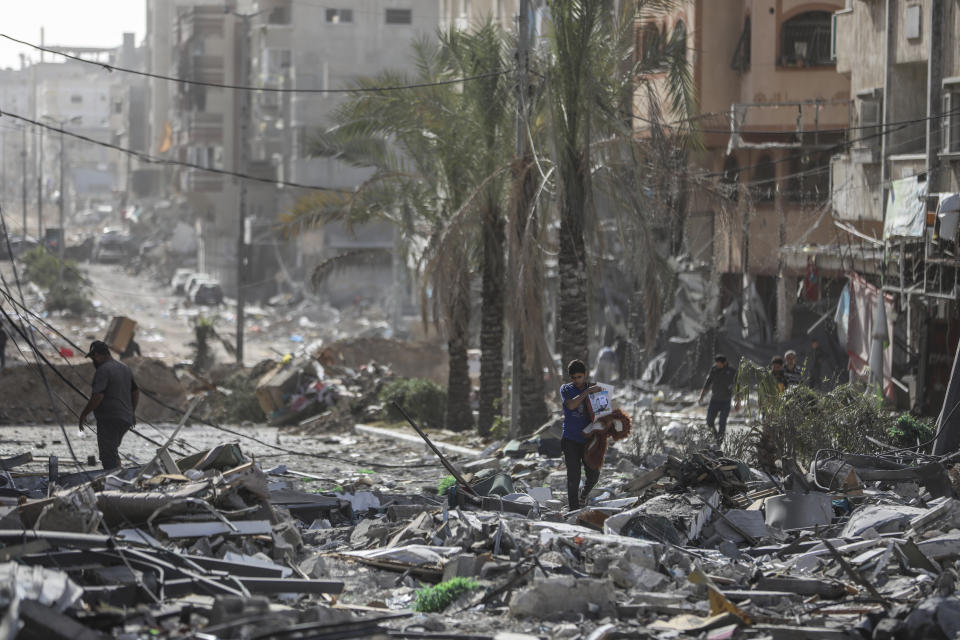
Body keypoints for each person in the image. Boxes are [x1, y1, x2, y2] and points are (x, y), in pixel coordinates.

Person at [78, 341, 139, 470]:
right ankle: (118, 476)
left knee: (107, 455)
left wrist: (84, 414)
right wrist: (132, 412)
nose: (93, 360)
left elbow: (98, 396)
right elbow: (135, 392)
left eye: (93, 357)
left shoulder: (103, 370)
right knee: (112, 451)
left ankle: (112, 482)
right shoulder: (125, 368)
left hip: (109, 419)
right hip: (125, 419)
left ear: (99, 355)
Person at [560, 359, 602, 511]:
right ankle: (573, 509)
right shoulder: (566, 389)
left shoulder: (594, 388)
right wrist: (586, 393)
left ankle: (583, 496)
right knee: (573, 475)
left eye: (579, 377)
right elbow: (571, 405)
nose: (577, 380)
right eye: (573, 378)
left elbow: (603, 412)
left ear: (585, 375)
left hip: (588, 440)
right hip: (570, 439)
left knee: (594, 474)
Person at [698, 354, 737, 446]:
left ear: (725, 363)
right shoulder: (714, 370)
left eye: (719, 363)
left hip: (726, 401)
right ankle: (716, 437)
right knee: (709, 421)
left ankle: (719, 442)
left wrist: (738, 401)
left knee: (722, 423)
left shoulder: (732, 372)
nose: (717, 365)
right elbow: (707, 383)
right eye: (716, 363)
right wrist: (701, 396)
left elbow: (738, 386)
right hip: (714, 400)